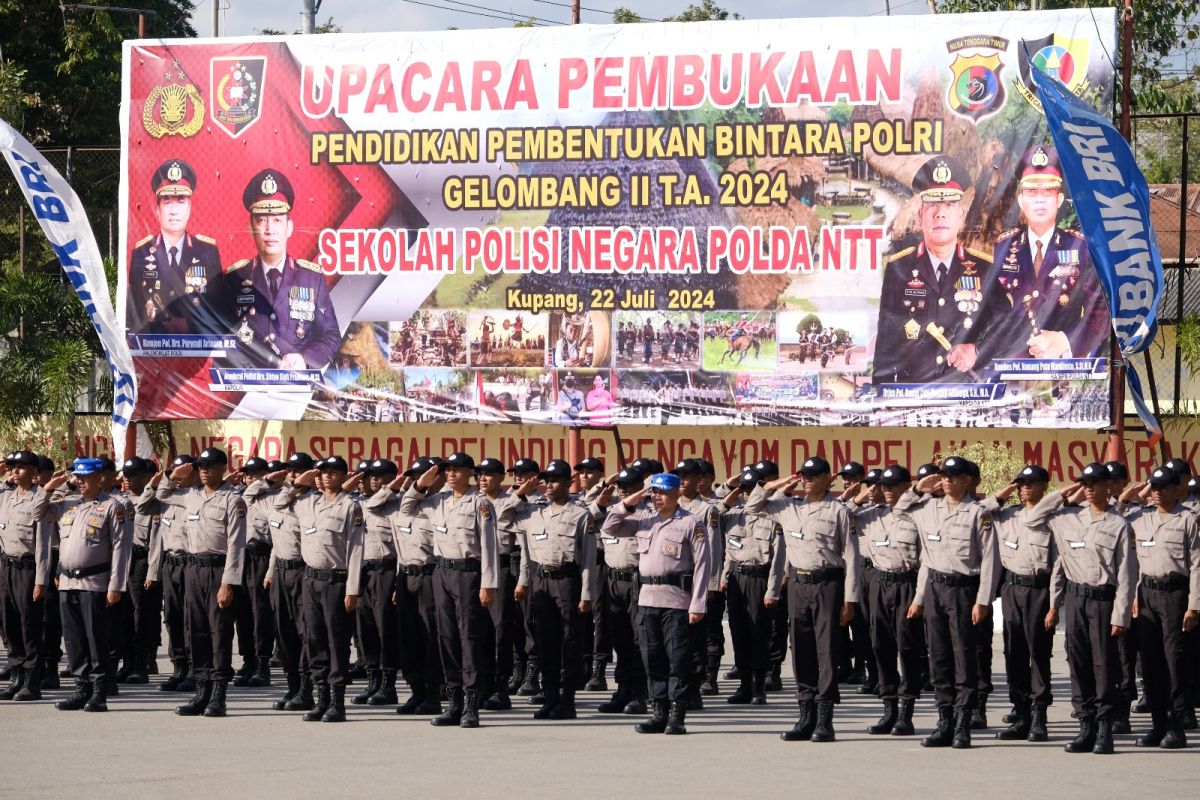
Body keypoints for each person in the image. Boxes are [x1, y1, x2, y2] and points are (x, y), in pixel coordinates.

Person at [747, 457, 859, 743]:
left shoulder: (838, 511)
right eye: (804, 475)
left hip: (828, 584)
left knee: (827, 651)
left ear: (828, 478)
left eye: (814, 475)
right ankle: (805, 714)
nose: (807, 480)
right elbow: (752, 506)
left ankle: (825, 718)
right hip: (798, 584)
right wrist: (778, 483)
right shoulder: (788, 506)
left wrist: (851, 599)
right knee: (801, 649)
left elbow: (851, 557)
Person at [1033, 463, 1136, 755]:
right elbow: (1033, 519)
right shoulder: (1067, 518)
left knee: (1104, 665)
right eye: (1084, 484)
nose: (1089, 489)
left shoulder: (1119, 525)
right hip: (1076, 599)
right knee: (1077, 662)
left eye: (1094, 483)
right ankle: (1086, 725)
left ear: (1108, 487)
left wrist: (1121, 614)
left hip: (1104, 600)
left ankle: (1105, 727)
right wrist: (1064, 495)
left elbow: (1127, 574)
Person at [897, 456, 999, 749]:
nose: (947, 480)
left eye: (953, 476)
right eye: (943, 476)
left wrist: (983, 601)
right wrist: (919, 488)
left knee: (964, 656)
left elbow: (991, 561)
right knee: (938, 657)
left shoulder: (978, 514)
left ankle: (963, 723)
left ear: (967, 480)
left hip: (964, 591)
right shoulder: (928, 507)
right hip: (935, 588)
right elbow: (899, 510)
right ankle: (945, 722)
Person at [597, 472, 710, 735]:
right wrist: (633, 499)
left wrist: (698, 604)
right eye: (654, 492)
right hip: (647, 599)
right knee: (652, 658)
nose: (657, 497)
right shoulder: (643, 520)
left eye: (662, 493)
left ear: (675, 494)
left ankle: (676, 715)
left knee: (677, 659)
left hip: (677, 601)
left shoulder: (692, 523)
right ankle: (658, 713)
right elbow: (609, 526)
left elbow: (703, 565)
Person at [874, 157, 999, 384]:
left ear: (961, 217)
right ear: (921, 216)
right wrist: (879, 395)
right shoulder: (898, 267)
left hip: (965, 392)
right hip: (912, 391)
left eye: (949, 205)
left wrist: (976, 349)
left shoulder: (985, 269)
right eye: (932, 205)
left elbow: (1005, 327)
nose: (940, 213)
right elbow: (886, 339)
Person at [402, 452, 499, 729]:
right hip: (441, 572)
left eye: (458, 469)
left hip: (469, 573)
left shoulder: (479, 503)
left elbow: (490, 546)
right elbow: (407, 508)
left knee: (468, 637)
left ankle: (471, 704)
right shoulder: (437, 501)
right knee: (445, 636)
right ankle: (453, 703)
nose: (452, 474)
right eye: (448, 470)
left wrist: (487, 584)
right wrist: (421, 483)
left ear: (471, 473)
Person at [985, 145, 1108, 362]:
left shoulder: (1080, 248)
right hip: (1010, 369)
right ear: (1021, 200)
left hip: (1064, 373)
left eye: (1048, 191)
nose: (1040, 199)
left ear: (1059, 200)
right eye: (1032, 191)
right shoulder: (1001, 248)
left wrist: (1066, 341)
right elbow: (986, 313)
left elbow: (1102, 310)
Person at [219, 169, 342, 370]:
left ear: (289, 227)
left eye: (277, 220)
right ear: (251, 227)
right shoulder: (234, 279)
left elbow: (331, 336)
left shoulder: (312, 279)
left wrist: (304, 359)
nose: (269, 230)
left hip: (296, 391)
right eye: (261, 220)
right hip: (247, 391)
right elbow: (221, 337)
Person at [157, 448, 246, 718]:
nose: (204, 470)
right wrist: (173, 475)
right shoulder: (191, 496)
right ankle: (201, 691)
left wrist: (228, 583)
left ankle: (218, 695)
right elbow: (161, 495)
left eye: (210, 466)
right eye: (201, 466)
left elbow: (236, 545)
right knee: (195, 631)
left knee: (218, 633)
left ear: (223, 468)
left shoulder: (232, 499)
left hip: (218, 571)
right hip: (193, 569)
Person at [275, 456, 364, 722]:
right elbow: (278, 505)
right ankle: (321, 697)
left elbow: (356, 549)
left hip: (336, 581)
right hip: (309, 579)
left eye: (333, 473)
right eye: (323, 472)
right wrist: (294, 484)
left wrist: (353, 589)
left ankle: (337, 702)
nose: (327, 477)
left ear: (342, 476)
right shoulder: (306, 502)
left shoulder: (350, 506)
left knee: (336, 642)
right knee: (314, 640)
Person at [507, 460, 597, 720]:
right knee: (545, 641)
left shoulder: (580, 515)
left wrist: (587, 594)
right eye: (546, 480)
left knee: (569, 641)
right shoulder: (533, 512)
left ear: (569, 483)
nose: (548, 485)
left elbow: (589, 557)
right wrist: (522, 492)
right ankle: (550, 698)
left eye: (555, 480)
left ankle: (567, 701)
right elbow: (502, 517)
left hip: (567, 581)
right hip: (540, 581)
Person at [45, 459, 131, 711]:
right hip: (68, 581)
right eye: (77, 478)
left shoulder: (112, 507)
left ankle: (99, 692)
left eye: (86, 477)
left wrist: (116, 585)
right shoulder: (68, 504)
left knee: (96, 639)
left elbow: (121, 548)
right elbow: (38, 512)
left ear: (100, 477)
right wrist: (50, 488)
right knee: (73, 640)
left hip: (95, 582)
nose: (80, 482)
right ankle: (81, 689)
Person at [980, 465, 1057, 742]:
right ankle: (1021, 713)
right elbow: (978, 513)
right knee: (1014, 653)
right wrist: (1005, 492)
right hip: (1012, 589)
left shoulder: (1053, 519)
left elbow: (1058, 563)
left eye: (1031, 483)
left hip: (1039, 590)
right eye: (1021, 483)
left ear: (1043, 486)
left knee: (1038, 654)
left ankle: (1039, 716)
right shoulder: (1006, 515)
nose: (1025, 488)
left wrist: (1055, 604)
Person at [363, 457, 444, 715]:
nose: (418, 480)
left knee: (431, 637)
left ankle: (433, 693)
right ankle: (416, 690)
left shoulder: (442, 505)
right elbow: (371, 506)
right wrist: (394, 487)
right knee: (409, 637)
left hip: (431, 576)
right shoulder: (397, 505)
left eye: (424, 475)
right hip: (404, 576)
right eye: (415, 476)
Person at [1125, 465, 1199, 748]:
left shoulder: (1188, 520)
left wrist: (1194, 606)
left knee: (1174, 662)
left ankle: (1177, 725)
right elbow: (1134, 562)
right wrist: (1133, 595)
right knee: (1151, 662)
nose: (1156, 493)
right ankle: (1158, 724)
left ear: (1176, 490)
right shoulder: (1140, 518)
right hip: (1146, 596)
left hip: (1175, 597)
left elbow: (1197, 565)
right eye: (1153, 489)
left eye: (1162, 488)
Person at [853, 464, 925, 736]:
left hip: (907, 583)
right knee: (880, 646)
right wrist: (860, 495)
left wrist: (919, 597)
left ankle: (906, 713)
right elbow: (841, 514)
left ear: (907, 486)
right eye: (883, 485)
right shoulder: (870, 516)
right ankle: (889, 709)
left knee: (907, 648)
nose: (887, 490)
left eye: (893, 485)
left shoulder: (919, 515)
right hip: (879, 584)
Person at [127, 159, 224, 335]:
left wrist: (190, 325)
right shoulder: (140, 253)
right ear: (157, 211)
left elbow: (217, 306)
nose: (173, 211)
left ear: (189, 209)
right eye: (167, 202)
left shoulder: (208, 252)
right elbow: (135, 308)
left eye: (180, 202)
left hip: (197, 347)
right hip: (153, 347)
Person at [339, 458, 402, 707]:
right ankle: (372, 680)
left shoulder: (397, 506)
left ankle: (388, 685)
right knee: (366, 630)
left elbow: (401, 547)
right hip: (363, 572)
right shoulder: (359, 505)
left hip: (385, 572)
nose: (373, 480)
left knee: (385, 629)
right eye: (370, 476)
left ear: (391, 478)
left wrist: (397, 581)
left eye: (379, 476)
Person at [258, 452, 317, 711]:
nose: (293, 474)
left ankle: (306, 690)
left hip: (303, 572)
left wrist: (295, 487)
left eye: (298, 470)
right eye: (290, 470)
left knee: (305, 633)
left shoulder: (314, 502)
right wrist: (271, 571)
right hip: (281, 572)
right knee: (284, 633)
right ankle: (293, 686)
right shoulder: (279, 500)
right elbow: (277, 542)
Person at [589, 467, 649, 714]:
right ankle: (622, 689)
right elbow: (585, 515)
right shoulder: (610, 510)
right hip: (612, 580)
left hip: (638, 580)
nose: (622, 489)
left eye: (628, 485)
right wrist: (604, 489)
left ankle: (639, 692)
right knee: (619, 639)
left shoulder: (648, 513)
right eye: (620, 485)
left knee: (639, 640)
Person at [718, 468, 780, 705]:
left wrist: (772, 590)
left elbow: (778, 558)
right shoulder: (733, 515)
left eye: (750, 489)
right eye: (742, 489)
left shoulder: (773, 517)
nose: (745, 494)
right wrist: (724, 577)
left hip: (760, 579)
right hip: (736, 579)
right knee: (738, 631)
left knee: (759, 634)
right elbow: (728, 552)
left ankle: (758, 686)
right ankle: (744, 684)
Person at [139, 455, 196, 693]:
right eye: (175, 472)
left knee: (192, 618)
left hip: (191, 563)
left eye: (184, 472)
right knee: (172, 617)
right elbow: (141, 507)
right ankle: (179, 666)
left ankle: (195, 669)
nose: (179, 477)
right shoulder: (165, 498)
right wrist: (160, 481)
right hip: (170, 564)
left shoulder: (195, 498)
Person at [0, 451, 52, 700]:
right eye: (12, 466)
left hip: (28, 569)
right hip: (5, 568)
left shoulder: (39, 499)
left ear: (35, 472)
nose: (14, 471)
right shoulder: (6, 497)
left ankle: (32, 681)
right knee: (9, 625)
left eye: (20, 466)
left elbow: (43, 545)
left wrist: (41, 580)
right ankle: (16, 675)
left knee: (29, 626)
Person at [672, 459, 724, 705]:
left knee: (698, 636)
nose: (682, 481)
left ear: (698, 479)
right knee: (676, 636)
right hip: (673, 582)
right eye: (679, 476)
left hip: (696, 580)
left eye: (687, 476)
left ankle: (698, 682)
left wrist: (710, 585)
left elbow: (712, 550)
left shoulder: (706, 510)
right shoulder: (669, 506)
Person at [113, 457, 162, 686]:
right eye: (126, 475)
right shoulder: (121, 501)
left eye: (134, 475)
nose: (128, 480)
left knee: (141, 615)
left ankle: (141, 665)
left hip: (142, 562)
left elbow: (156, 541)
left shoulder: (154, 503)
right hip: (124, 561)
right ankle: (128, 662)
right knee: (123, 614)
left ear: (146, 477)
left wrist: (152, 572)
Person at [233, 457, 277, 688]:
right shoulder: (238, 498)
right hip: (240, 556)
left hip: (262, 556)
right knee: (242, 614)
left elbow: (276, 540)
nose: (249, 478)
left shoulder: (272, 500)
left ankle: (263, 664)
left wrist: (270, 569)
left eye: (255, 474)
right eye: (247, 474)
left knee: (261, 613)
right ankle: (248, 660)